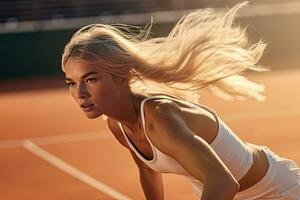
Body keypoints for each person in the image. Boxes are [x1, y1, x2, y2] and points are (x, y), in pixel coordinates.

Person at [61, 2, 300, 199]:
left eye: (90, 80)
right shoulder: (117, 125)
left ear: (122, 78)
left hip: (274, 190)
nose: (80, 93)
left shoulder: (160, 116)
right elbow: (147, 169)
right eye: (71, 82)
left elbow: (224, 181)